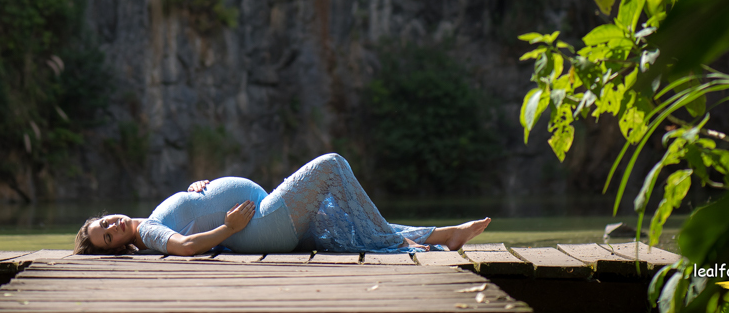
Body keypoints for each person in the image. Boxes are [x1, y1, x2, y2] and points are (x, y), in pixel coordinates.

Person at [73, 153, 491, 256]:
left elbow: (188, 213)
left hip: (266, 218)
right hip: (262, 226)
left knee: (347, 219)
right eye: (107, 236)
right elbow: (184, 248)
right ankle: (400, 245)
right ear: (116, 247)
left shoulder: (149, 218)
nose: (112, 225)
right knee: (331, 166)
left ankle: (444, 235)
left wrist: (197, 187)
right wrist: (230, 229)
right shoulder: (148, 233)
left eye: (104, 222)